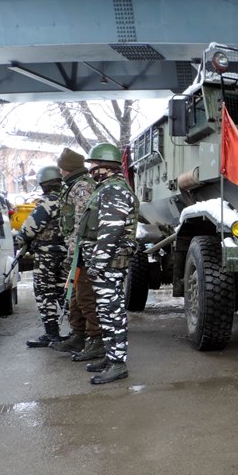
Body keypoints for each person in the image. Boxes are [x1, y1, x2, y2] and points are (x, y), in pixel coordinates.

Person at [77, 143, 138, 384]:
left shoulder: (114, 190)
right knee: (105, 311)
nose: (91, 169)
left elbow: (110, 231)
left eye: (93, 164)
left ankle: (118, 364)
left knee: (112, 312)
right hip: (106, 264)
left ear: (105, 166)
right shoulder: (106, 188)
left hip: (108, 264)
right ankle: (111, 357)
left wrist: (98, 264)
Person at [50, 148, 103, 361]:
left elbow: (82, 225)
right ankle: (78, 335)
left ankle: (96, 340)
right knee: (75, 296)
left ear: (68, 168)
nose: (60, 172)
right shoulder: (74, 185)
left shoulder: (82, 187)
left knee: (86, 297)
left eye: (62, 168)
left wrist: (76, 254)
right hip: (77, 253)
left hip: (83, 253)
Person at [18, 166, 67, 347]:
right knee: (64, 293)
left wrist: (20, 240)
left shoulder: (47, 202)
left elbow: (28, 230)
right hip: (66, 255)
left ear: (43, 184)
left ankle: (52, 335)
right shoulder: (68, 200)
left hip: (47, 256)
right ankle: (79, 333)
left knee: (45, 293)